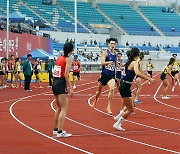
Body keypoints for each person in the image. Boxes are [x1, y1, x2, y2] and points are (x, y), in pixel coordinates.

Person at [113, 48, 155, 131]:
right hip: (125, 86)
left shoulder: (128, 62)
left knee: (132, 102)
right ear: (138, 55)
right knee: (131, 110)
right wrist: (149, 79)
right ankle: (118, 123)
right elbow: (138, 73)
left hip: (125, 85)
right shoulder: (134, 63)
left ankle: (119, 115)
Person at [52, 42, 74, 138]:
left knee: (59, 108)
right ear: (71, 50)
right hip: (61, 83)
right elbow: (66, 74)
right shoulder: (68, 60)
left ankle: (56, 129)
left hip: (55, 82)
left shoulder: (59, 58)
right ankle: (60, 132)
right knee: (64, 109)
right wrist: (71, 87)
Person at [92, 38, 117, 114]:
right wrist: (109, 62)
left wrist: (121, 68)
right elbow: (102, 63)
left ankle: (108, 106)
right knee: (98, 92)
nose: (112, 45)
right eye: (111, 43)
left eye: (114, 44)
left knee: (112, 89)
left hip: (111, 76)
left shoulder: (115, 54)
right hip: (104, 75)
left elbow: (115, 63)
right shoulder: (105, 53)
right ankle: (96, 99)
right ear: (108, 44)